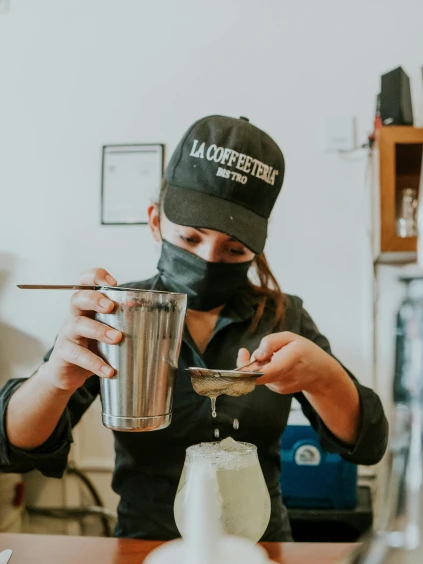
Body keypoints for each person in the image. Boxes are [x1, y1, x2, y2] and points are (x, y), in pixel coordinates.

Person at [0, 115, 388, 541]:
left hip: (258, 549)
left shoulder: (284, 317)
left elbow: (367, 444)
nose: (207, 259)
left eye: (234, 249)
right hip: (144, 549)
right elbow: (14, 446)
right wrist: (56, 378)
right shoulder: (116, 313)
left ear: (255, 251)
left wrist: (324, 377)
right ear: (155, 220)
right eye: (190, 238)